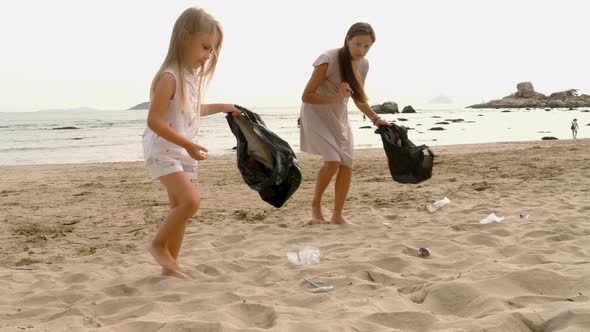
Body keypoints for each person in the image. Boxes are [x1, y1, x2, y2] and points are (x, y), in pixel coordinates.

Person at [142, 7, 239, 279]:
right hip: (164, 150)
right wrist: (186, 144)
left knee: (179, 208)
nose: (208, 55)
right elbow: (155, 120)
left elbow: (191, 110)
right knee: (191, 202)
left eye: (212, 50)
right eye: (205, 47)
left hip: (178, 151)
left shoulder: (188, 78)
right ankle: (158, 245)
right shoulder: (169, 77)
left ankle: (170, 265)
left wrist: (222, 106)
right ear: (185, 37)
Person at [299, 22, 391, 225]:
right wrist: (337, 97)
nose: (361, 50)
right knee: (332, 161)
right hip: (316, 115)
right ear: (347, 39)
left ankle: (337, 215)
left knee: (346, 163)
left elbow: (359, 98)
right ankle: (316, 206)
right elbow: (307, 96)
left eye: (367, 46)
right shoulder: (328, 59)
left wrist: (376, 119)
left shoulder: (363, 64)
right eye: (357, 44)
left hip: (339, 117)